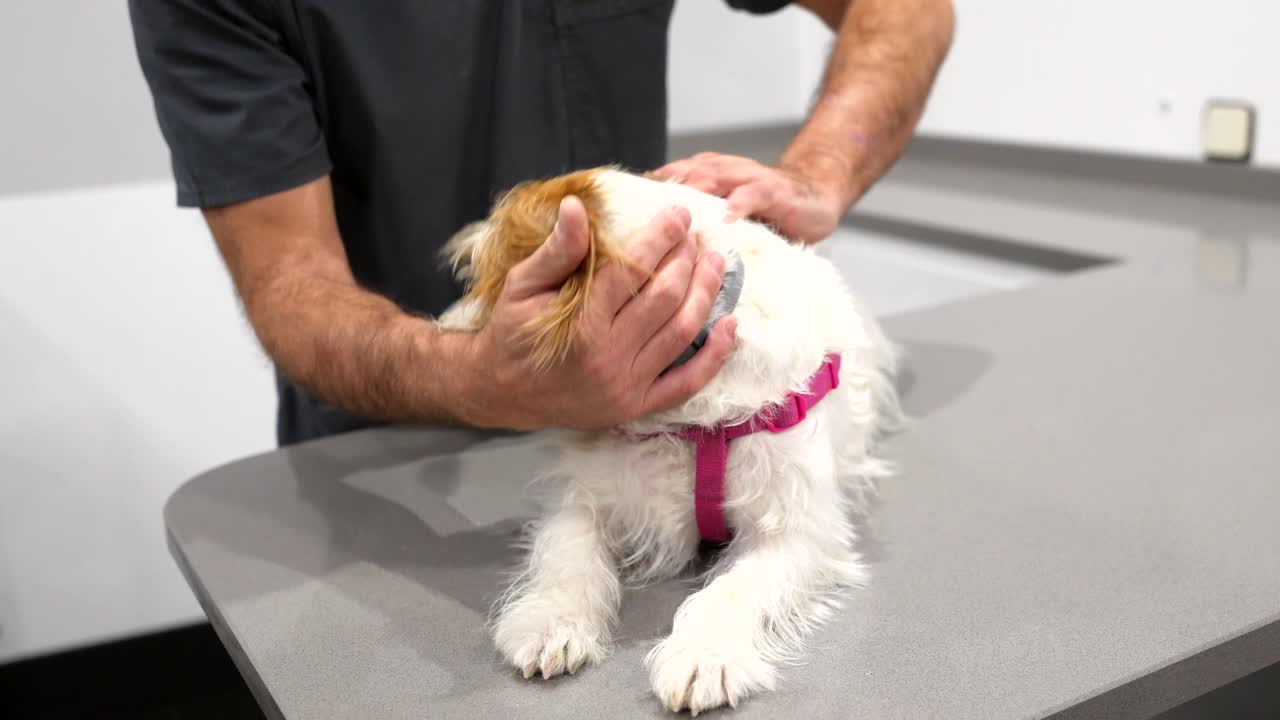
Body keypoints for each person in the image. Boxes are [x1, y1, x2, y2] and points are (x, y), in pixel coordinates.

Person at [128, 0, 953, 446]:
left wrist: (821, 168)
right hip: (393, 448)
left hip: (655, 421)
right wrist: (482, 378)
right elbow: (289, 282)